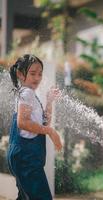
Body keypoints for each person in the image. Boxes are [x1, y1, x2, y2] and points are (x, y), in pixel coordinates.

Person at [7, 54, 63, 200]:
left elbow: (43, 123)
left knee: (25, 197)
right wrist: (50, 132)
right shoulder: (27, 93)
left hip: (25, 159)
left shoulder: (30, 95)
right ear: (20, 74)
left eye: (40, 74)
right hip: (27, 161)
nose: (37, 78)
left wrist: (49, 101)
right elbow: (22, 122)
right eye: (32, 73)